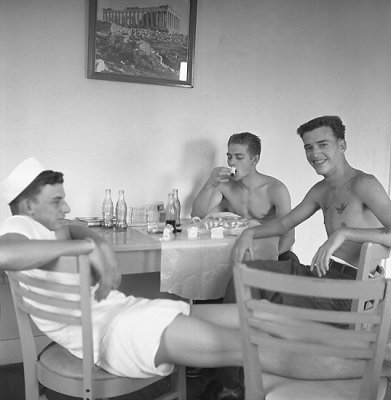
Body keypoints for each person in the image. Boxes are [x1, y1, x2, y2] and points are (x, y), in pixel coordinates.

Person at [198, 115, 391, 400]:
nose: (314, 154)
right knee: (243, 277)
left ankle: (238, 380)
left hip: (349, 290)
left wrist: (345, 234)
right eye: (308, 147)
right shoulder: (322, 189)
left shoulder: (364, 184)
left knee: (260, 299)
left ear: (342, 145)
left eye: (322, 144)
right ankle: (231, 381)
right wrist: (249, 234)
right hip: (321, 277)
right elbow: (283, 224)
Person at [0, 157, 242, 379]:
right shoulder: (17, 224)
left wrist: (100, 244)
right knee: (249, 344)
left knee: (253, 315)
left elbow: (73, 225)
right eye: (56, 201)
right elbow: (4, 253)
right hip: (112, 333)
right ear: (30, 206)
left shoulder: (46, 228)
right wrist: (83, 247)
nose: (66, 207)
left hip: (120, 312)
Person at [191, 132, 294, 257]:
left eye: (239, 157)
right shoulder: (224, 184)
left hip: (273, 252)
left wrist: (267, 259)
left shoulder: (275, 189)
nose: (232, 162)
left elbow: (289, 238)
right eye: (229, 157)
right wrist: (209, 184)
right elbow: (196, 214)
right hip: (239, 251)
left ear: (254, 160)